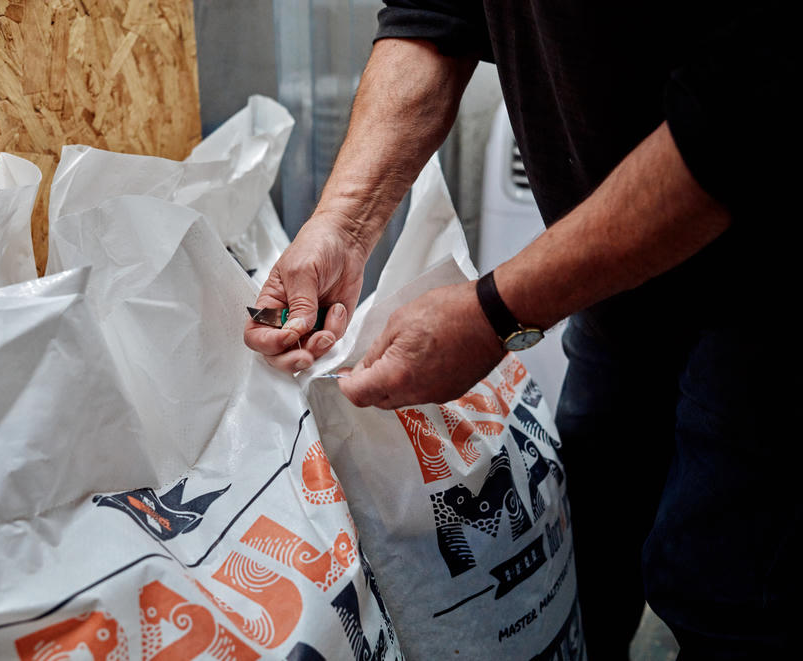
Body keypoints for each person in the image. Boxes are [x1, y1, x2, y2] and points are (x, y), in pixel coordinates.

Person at [245, 2, 798, 659]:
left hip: (777, 289)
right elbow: (433, 16)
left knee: (724, 591)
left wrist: (494, 314)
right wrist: (342, 222)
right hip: (618, 287)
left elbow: (743, 112)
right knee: (584, 532)